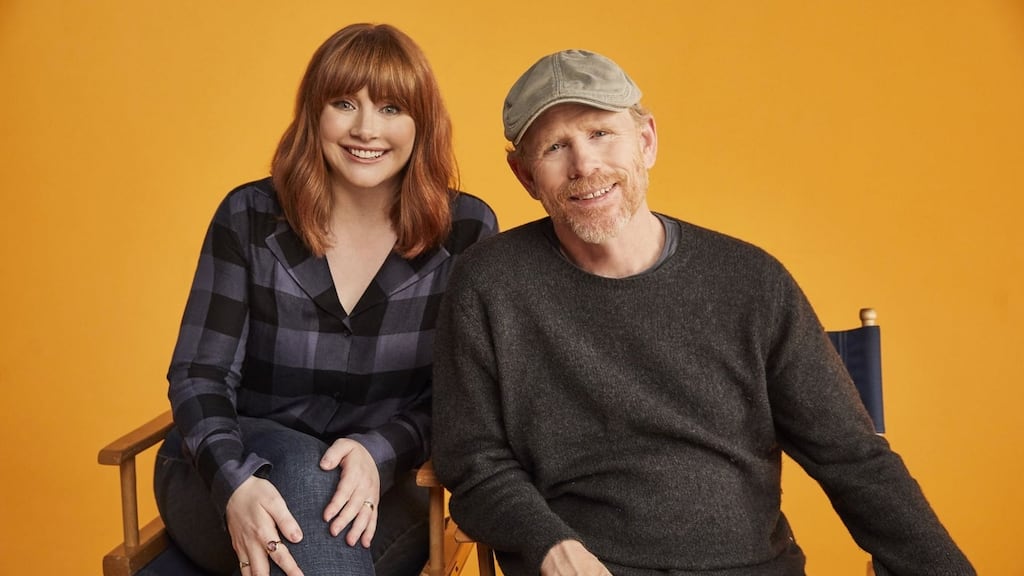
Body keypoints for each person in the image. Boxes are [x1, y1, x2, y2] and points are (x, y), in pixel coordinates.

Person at [432, 49, 973, 576]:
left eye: (601, 133)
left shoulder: (752, 281)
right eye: (555, 147)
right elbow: (473, 461)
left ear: (645, 141)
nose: (584, 165)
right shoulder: (489, 283)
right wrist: (548, 545)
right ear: (525, 176)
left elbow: (855, 461)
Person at [155, 23, 498, 576]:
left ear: (422, 123)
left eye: (391, 108)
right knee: (302, 470)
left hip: (381, 492)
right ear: (314, 113)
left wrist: (379, 450)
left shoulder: (466, 230)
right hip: (225, 470)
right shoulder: (248, 216)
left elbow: (461, 397)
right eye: (344, 103)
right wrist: (235, 485)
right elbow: (200, 375)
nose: (366, 128)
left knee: (318, 490)